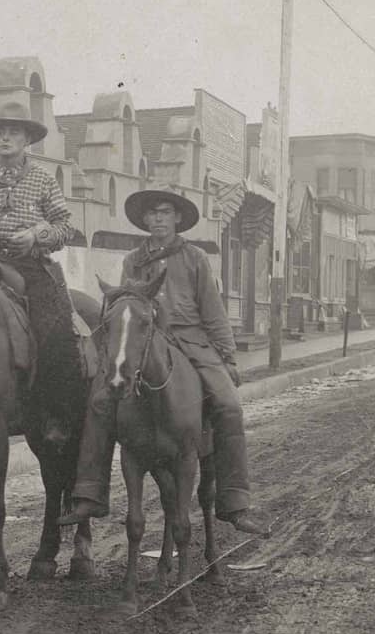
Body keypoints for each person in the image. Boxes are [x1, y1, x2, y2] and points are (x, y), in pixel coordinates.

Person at [60, 190, 271, 535]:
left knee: (230, 406)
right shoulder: (132, 261)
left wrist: (227, 356)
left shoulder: (195, 258)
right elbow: (123, 307)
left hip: (192, 341)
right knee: (100, 401)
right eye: (152, 214)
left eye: (165, 213)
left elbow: (213, 310)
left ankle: (235, 503)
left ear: (176, 219)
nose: (158, 219)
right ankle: (89, 494)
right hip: (144, 343)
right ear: (145, 220)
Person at [0, 96, 93, 363]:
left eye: (13, 133)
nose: (5, 138)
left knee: (53, 332)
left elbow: (65, 226)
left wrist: (35, 236)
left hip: (30, 267)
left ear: (27, 140)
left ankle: (55, 392)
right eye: (0, 133)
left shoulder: (43, 180)